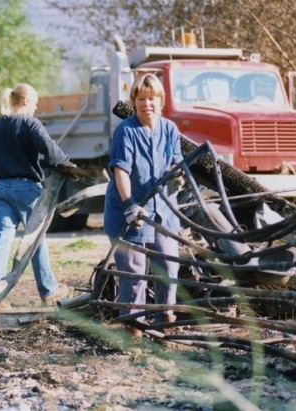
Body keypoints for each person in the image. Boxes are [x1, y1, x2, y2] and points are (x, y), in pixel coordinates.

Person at [0, 84, 73, 304]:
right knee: (35, 239)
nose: (36, 107)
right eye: (35, 102)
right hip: (27, 189)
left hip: (1, 189)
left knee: (1, 241)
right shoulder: (31, 124)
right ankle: (49, 290)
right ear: (24, 101)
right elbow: (51, 151)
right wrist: (69, 166)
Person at [104, 73, 184, 338]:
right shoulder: (126, 130)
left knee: (169, 266)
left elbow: (175, 162)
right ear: (134, 101)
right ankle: (134, 330)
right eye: (141, 99)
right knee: (134, 273)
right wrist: (129, 205)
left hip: (163, 210)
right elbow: (121, 171)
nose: (147, 104)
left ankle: (165, 321)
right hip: (130, 211)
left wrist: (177, 175)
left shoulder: (170, 129)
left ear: (160, 100)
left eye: (152, 98)